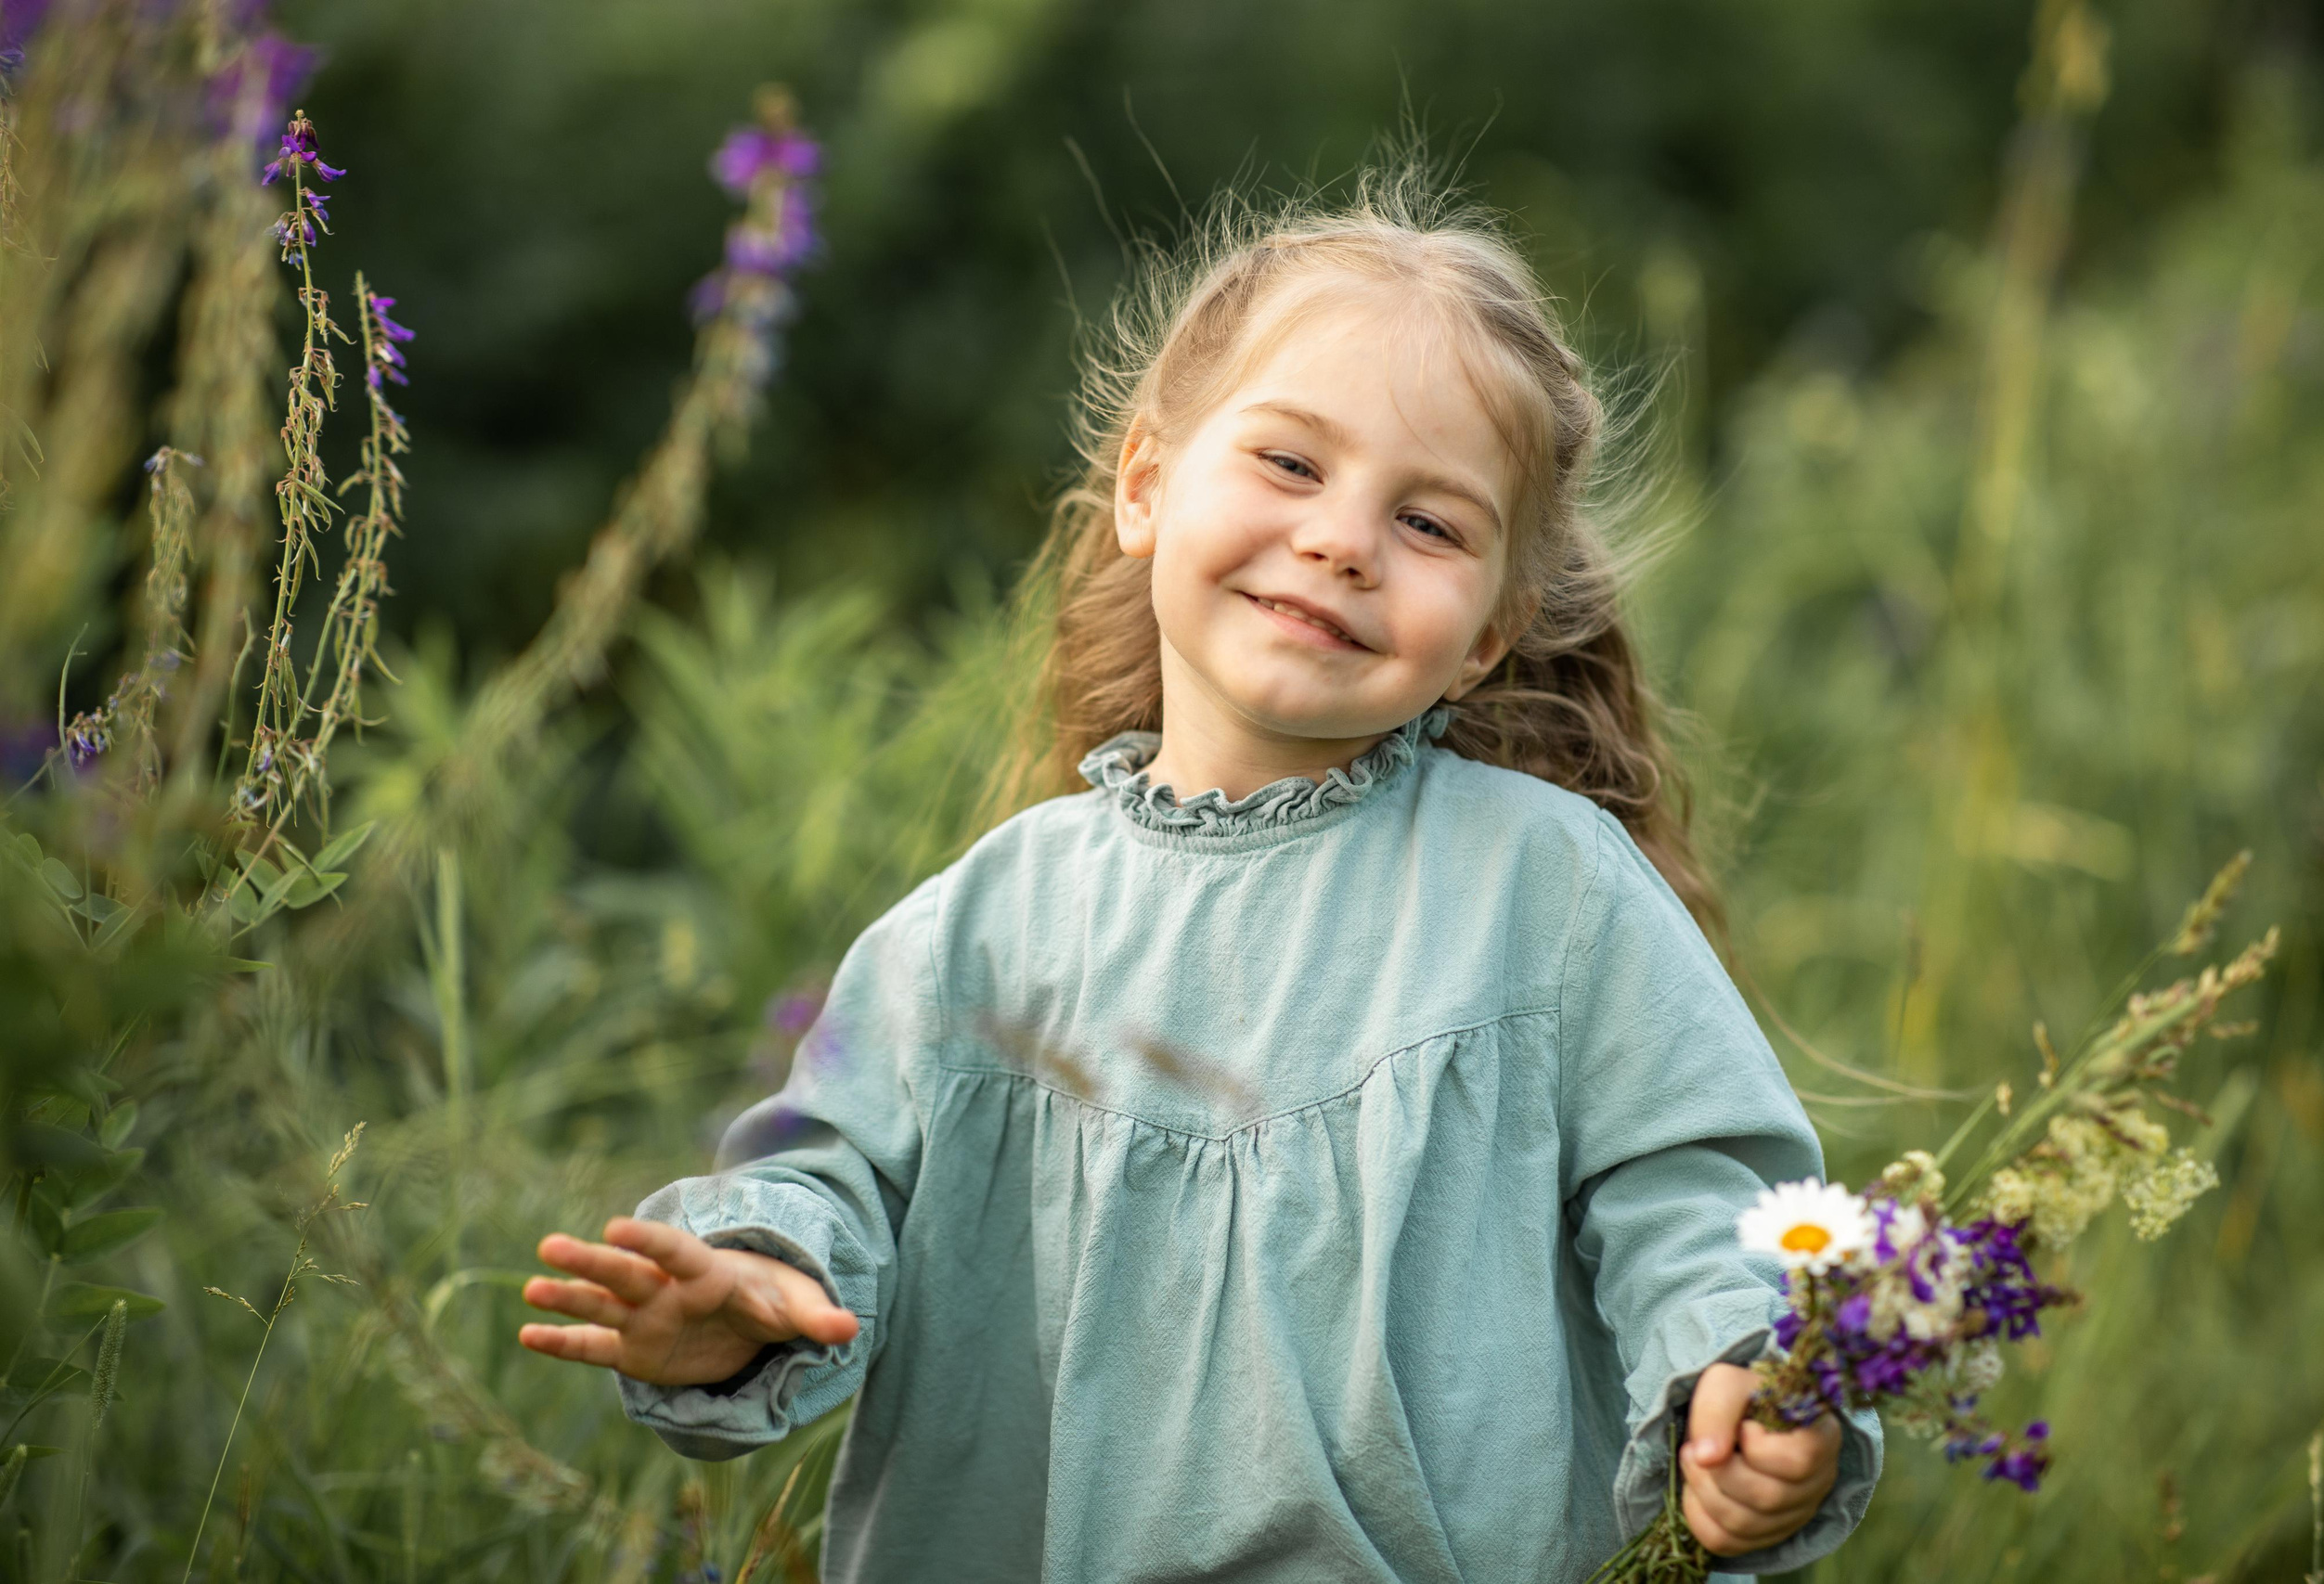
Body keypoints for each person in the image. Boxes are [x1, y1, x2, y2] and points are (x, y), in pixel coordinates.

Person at [519, 171, 1882, 1581]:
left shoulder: (1547, 891)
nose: (1342, 538)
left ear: (1488, 633)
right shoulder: (977, 933)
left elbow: (1703, 1195)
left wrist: (1743, 1379)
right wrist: (752, 1287)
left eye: (1430, 525)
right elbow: (831, 1177)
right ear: (1145, 486)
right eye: (1290, 465)